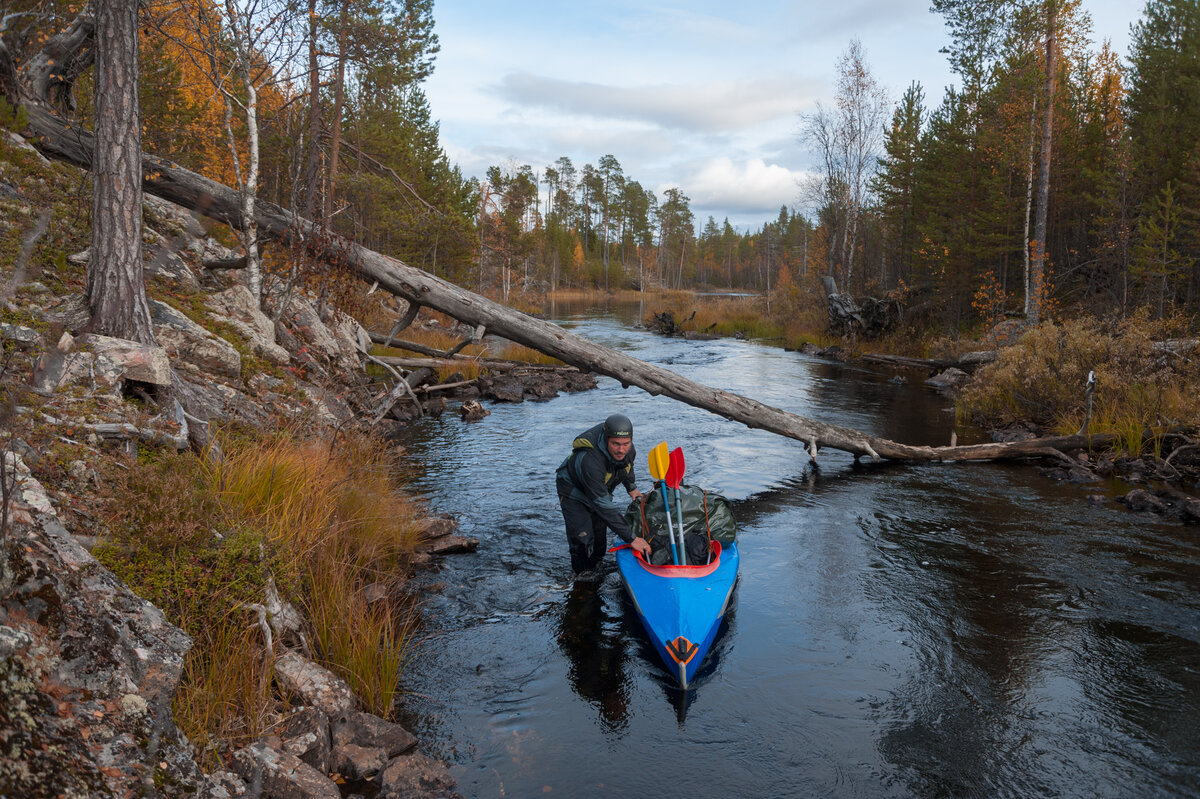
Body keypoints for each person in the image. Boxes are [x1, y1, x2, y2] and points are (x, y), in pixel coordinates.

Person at [556, 413, 651, 575]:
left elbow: (626, 467)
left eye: (625, 444)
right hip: (574, 491)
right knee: (582, 538)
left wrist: (631, 487)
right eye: (615, 444)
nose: (621, 449)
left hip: (599, 488)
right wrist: (632, 538)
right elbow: (603, 504)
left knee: (599, 538)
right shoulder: (590, 460)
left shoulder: (628, 450)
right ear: (606, 439)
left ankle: (597, 567)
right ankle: (581, 577)